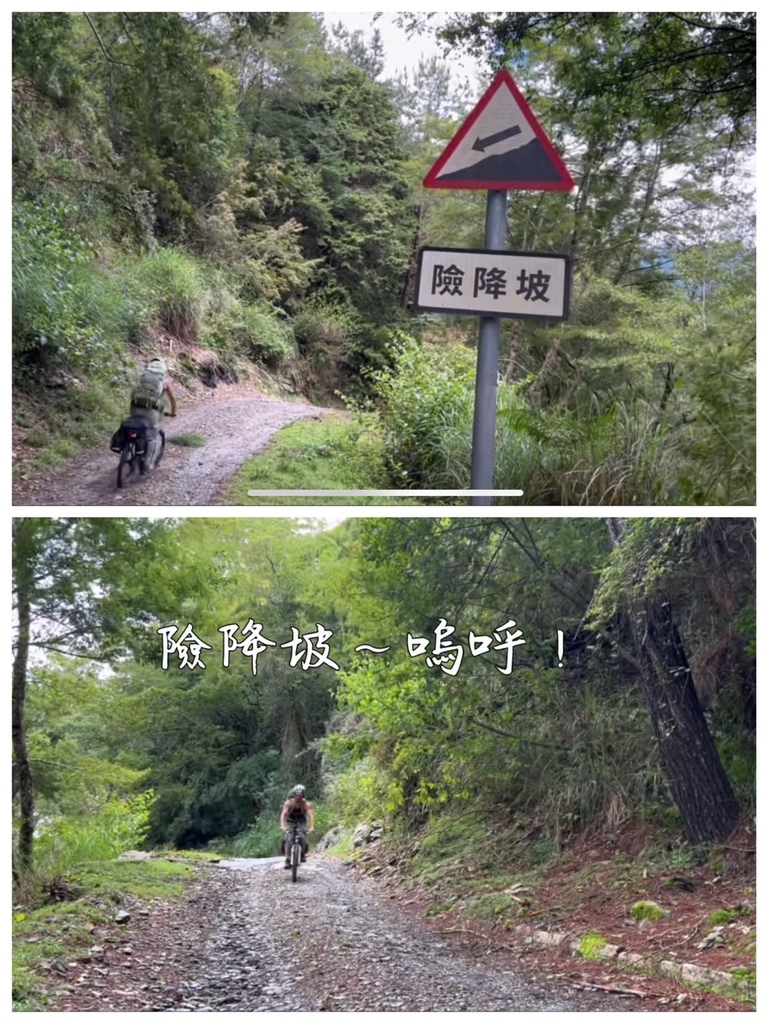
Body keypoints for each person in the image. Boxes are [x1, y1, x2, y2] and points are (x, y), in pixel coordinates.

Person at [113, 357, 176, 468]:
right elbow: (172, 400)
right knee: (152, 435)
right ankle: (147, 463)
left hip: (135, 407)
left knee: (135, 424)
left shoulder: (143, 377)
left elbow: (134, 392)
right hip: (151, 411)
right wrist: (172, 412)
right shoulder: (164, 382)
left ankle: (127, 446)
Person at [279, 784, 315, 868]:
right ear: (294, 795)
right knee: (289, 839)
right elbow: (283, 814)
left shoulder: (306, 804)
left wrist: (312, 827)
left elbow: (311, 816)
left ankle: (302, 854)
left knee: (302, 837)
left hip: (301, 822)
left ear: (303, 796)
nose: (298, 797)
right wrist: (283, 826)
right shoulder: (289, 803)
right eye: (297, 795)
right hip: (290, 822)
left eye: (300, 796)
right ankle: (287, 859)